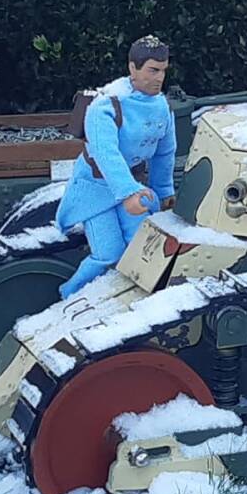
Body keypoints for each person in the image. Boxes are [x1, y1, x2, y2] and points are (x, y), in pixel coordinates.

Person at [55, 35, 177, 298]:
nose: (159, 78)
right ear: (133, 68)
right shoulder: (106, 105)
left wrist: (164, 190)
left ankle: (129, 299)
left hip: (133, 185)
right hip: (96, 187)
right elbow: (105, 153)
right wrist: (128, 193)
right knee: (108, 253)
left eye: (163, 70)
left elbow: (164, 152)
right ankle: (70, 295)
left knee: (141, 246)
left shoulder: (162, 106)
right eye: (152, 70)